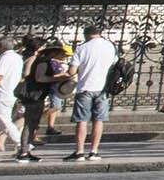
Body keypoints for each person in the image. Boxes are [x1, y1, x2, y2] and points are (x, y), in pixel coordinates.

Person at [64, 23, 118, 162]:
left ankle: (79, 151)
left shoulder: (82, 48)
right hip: (103, 88)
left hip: (85, 87)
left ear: (86, 35)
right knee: (99, 120)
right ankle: (94, 151)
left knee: (82, 120)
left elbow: (72, 71)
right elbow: (114, 64)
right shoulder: (109, 46)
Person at [15, 39, 67, 163]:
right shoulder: (43, 62)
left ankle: (25, 150)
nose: (62, 56)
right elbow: (40, 78)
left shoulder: (43, 61)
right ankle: (23, 151)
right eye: (60, 53)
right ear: (53, 53)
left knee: (32, 124)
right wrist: (56, 79)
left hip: (38, 94)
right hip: (35, 95)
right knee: (30, 124)